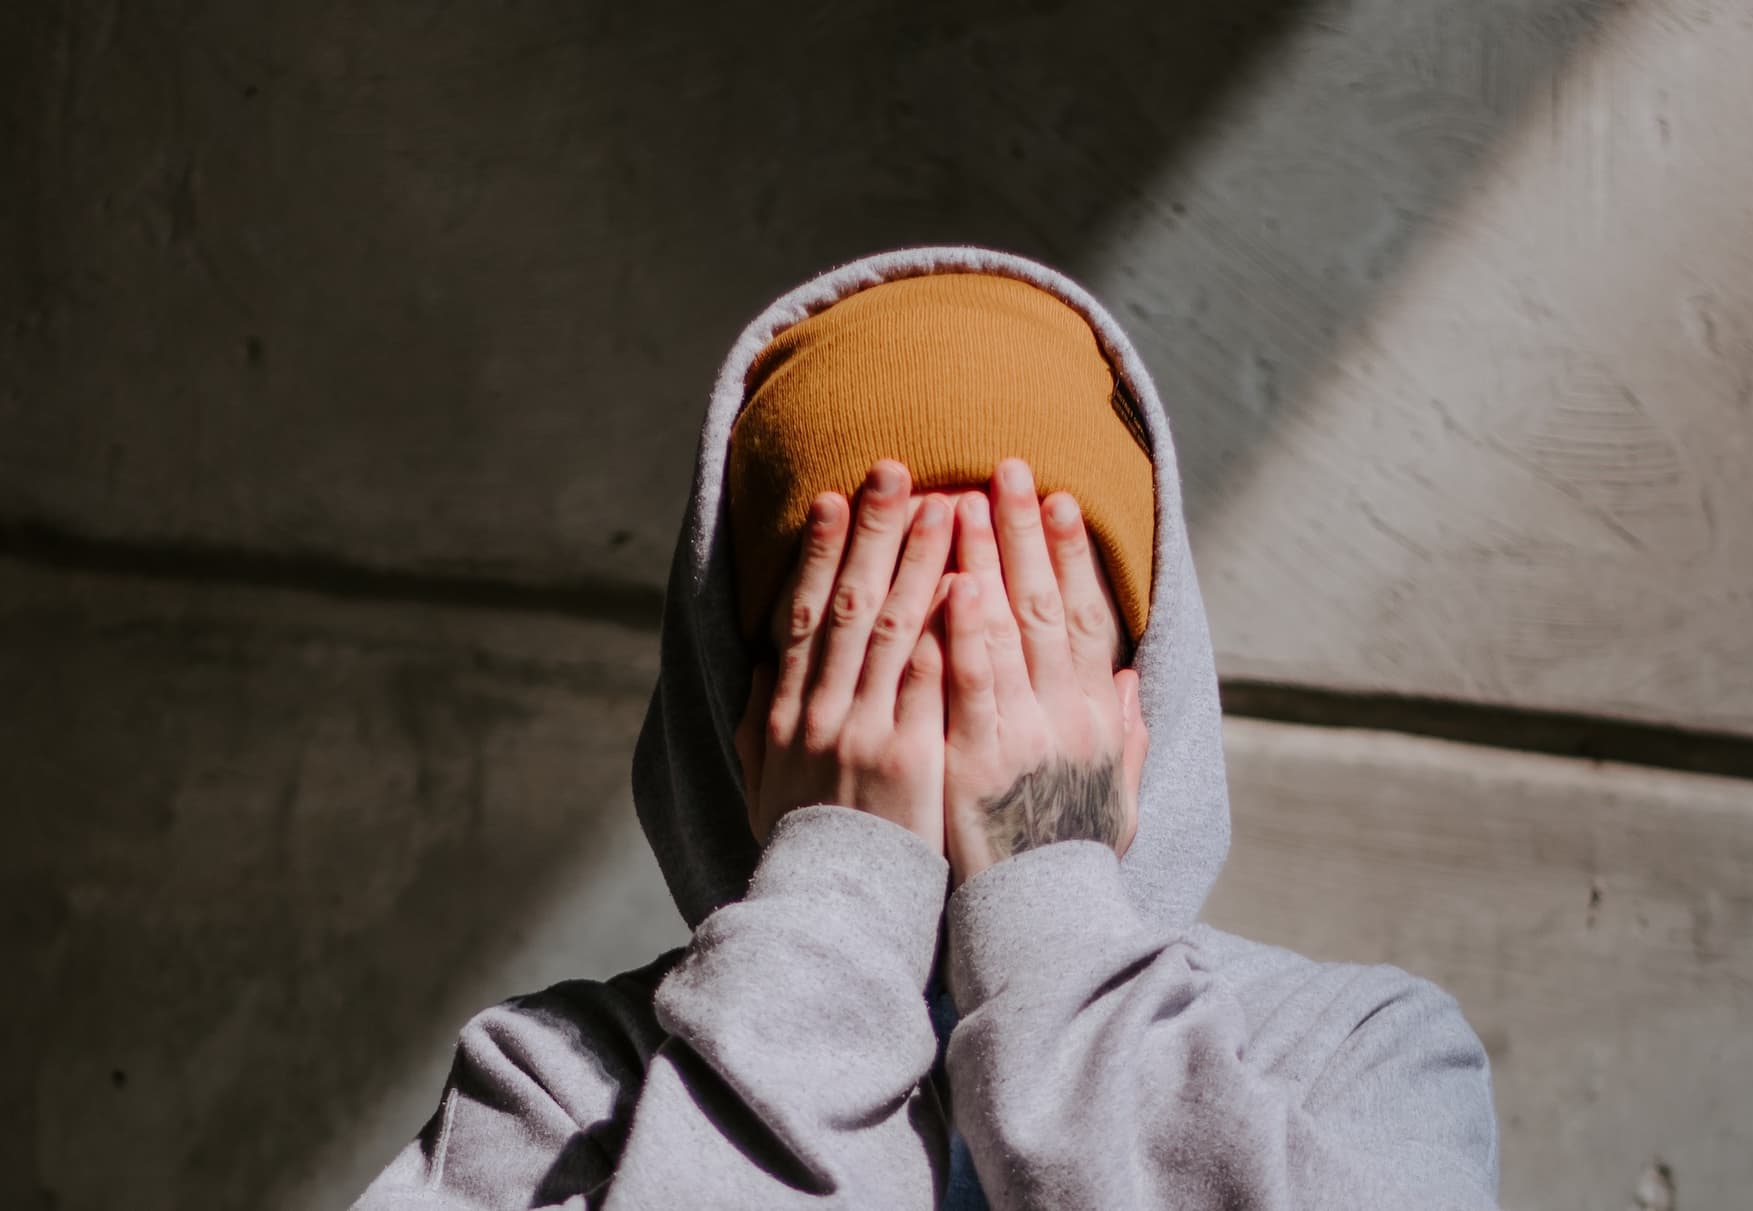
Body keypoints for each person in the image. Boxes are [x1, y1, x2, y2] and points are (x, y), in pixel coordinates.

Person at [351, 248, 1500, 1210]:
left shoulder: (1358, 1056)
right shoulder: (549, 1089)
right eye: (874, 641)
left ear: (1137, 692)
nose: (955, 697)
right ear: (741, 716)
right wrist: (832, 907)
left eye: (1022, 628)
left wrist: (1050, 886)